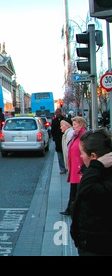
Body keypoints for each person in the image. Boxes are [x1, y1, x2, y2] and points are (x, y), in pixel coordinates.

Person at [70, 128, 112, 256]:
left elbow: (86, 190)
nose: (81, 157)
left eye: (82, 153)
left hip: (97, 246)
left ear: (94, 156)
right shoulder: (95, 173)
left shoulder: (99, 176)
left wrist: (95, 166)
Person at [60, 116, 87, 216]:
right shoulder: (76, 135)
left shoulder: (83, 136)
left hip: (80, 168)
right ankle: (71, 209)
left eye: (75, 124)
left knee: (78, 191)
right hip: (75, 167)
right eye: (73, 124)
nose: (73, 126)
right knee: (74, 190)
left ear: (81, 125)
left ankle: (75, 210)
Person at [51, 108, 67, 174]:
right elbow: (53, 130)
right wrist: (55, 138)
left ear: (60, 112)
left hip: (65, 139)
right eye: (56, 112)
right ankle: (62, 168)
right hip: (58, 140)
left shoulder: (65, 120)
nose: (56, 114)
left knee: (66, 154)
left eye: (58, 112)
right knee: (59, 155)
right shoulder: (54, 121)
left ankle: (67, 167)